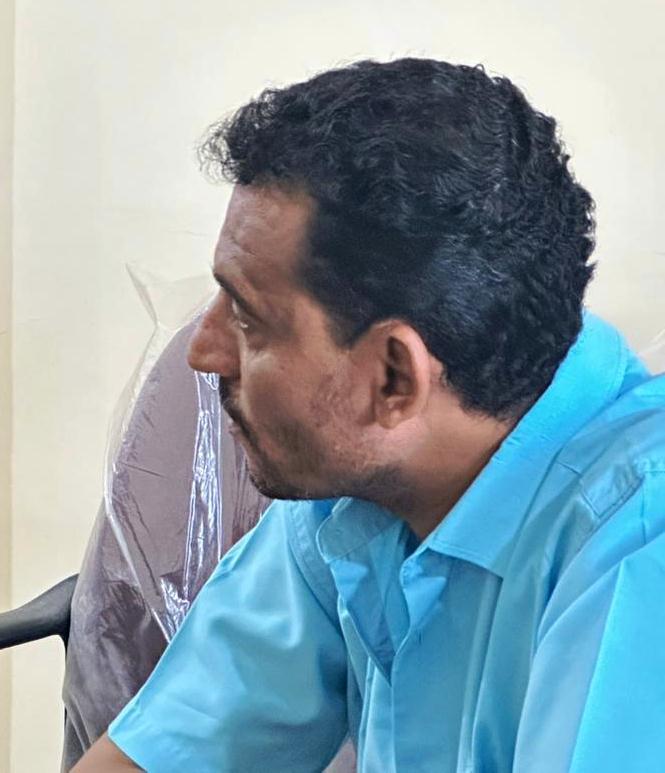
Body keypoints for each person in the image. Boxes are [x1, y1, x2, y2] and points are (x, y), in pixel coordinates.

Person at [73, 58, 665, 772]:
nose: (202, 350)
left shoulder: (638, 547)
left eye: (249, 318)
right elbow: (164, 753)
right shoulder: (355, 493)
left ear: (392, 378)